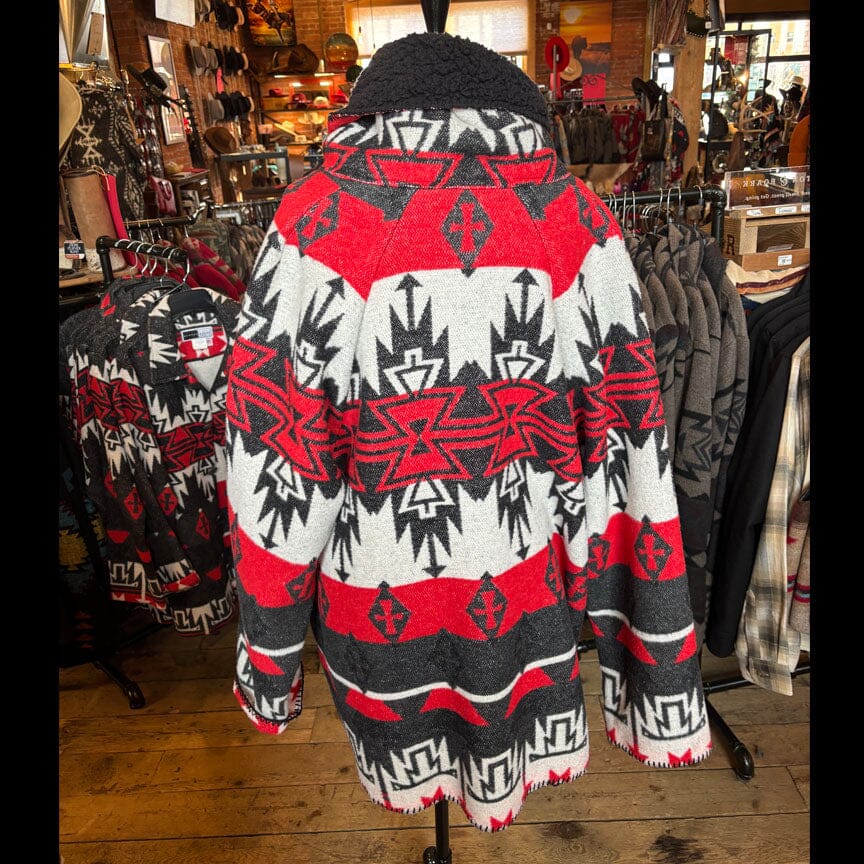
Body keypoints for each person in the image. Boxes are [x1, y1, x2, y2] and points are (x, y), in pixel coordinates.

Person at [225, 30, 711, 833]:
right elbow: (632, 457)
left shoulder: (317, 219)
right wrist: (651, 664)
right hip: (529, 605)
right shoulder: (577, 221)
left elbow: (270, 459)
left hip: (382, 623)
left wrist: (270, 660)